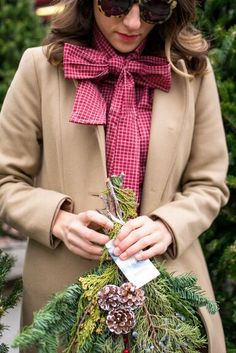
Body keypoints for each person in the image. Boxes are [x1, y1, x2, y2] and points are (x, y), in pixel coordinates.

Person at [0, 0, 229, 352]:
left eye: (152, 8)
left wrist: (167, 225)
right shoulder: (40, 67)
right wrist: (57, 220)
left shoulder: (193, 73)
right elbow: (5, 179)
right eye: (117, 4)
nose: (134, 23)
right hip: (65, 299)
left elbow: (208, 184)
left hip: (168, 298)